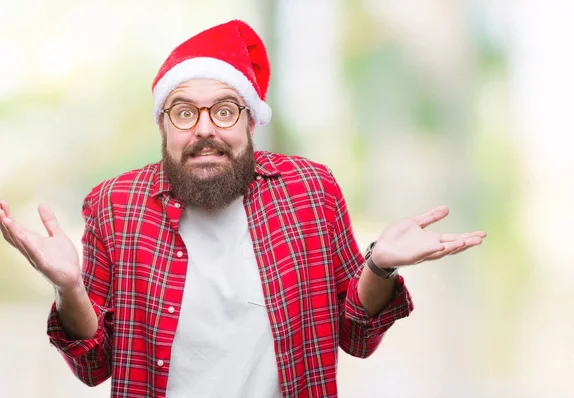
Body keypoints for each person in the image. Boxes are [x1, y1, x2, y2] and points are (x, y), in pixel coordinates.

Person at [0, 19, 486, 398]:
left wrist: (377, 265)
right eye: (185, 112)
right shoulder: (115, 205)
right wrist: (68, 287)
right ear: (164, 127)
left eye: (225, 110)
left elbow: (356, 337)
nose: (205, 129)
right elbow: (93, 365)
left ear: (251, 120)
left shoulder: (310, 191)